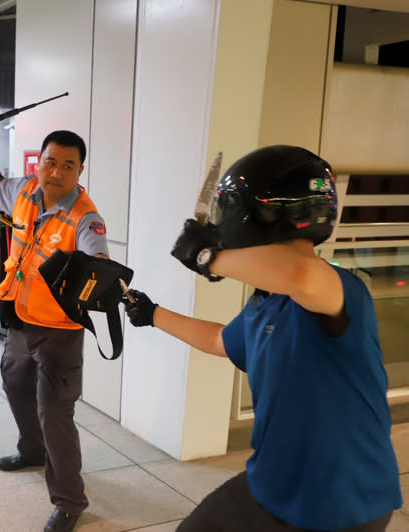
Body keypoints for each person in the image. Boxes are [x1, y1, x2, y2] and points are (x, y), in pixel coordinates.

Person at [123, 145, 401, 532]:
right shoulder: (265, 301)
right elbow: (222, 340)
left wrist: (207, 258)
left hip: (343, 501)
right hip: (274, 481)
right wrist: (152, 314)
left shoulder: (341, 290)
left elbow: (302, 275)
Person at [0, 114, 109, 532]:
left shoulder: (85, 217)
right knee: (14, 383)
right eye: (51, 162)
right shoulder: (27, 191)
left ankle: (69, 501)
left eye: (68, 165)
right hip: (20, 317)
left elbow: (96, 259)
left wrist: (98, 272)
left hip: (60, 333)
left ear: (79, 171)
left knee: (55, 411)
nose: (57, 172)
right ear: (39, 162)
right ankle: (32, 451)